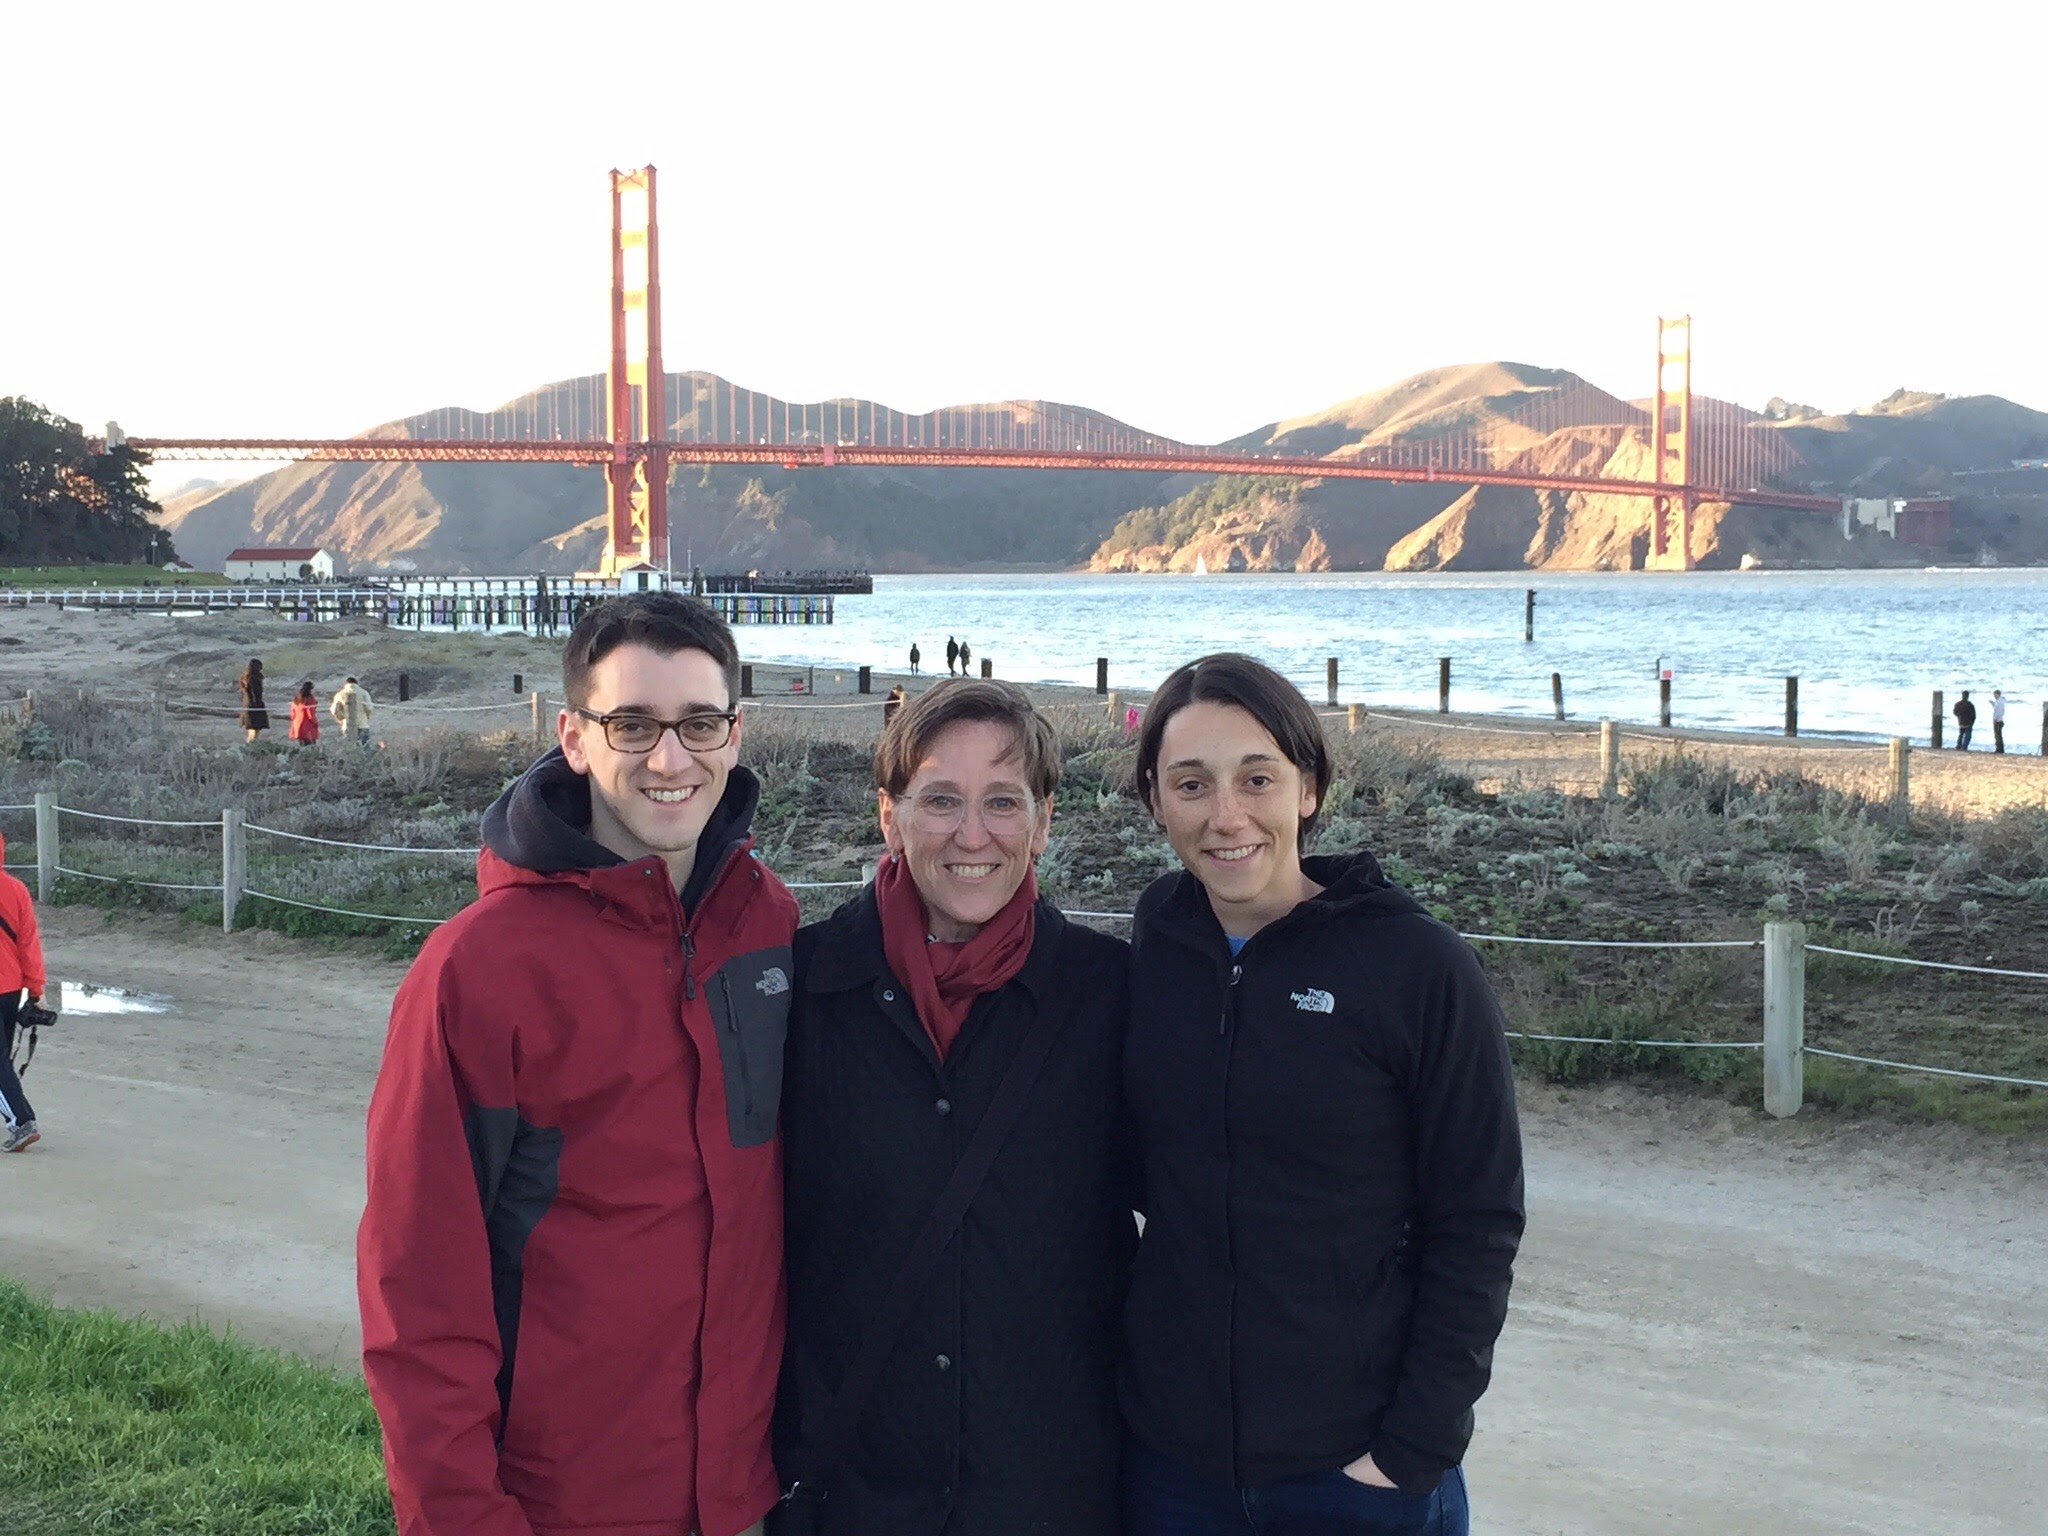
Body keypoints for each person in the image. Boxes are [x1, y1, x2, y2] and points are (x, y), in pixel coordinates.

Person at [358, 591, 799, 1536]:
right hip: (562, 1505)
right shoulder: (477, 971)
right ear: (572, 737)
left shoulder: (768, 923)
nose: (670, 760)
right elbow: (416, 1296)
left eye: (699, 724)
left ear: (736, 734)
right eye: (631, 724)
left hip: (745, 1495)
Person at [1120, 653, 1523, 1536]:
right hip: (1171, 1467)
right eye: (1191, 784)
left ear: (1308, 787)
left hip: (1353, 1472)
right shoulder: (1160, 937)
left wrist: (1412, 1448)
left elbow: (1479, 1218)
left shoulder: (1416, 967)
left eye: (1256, 778)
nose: (1226, 816)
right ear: (1155, 800)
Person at [778, 680, 1135, 1535]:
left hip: (1048, 1492)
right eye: (940, 800)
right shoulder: (802, 988)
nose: (972, 835)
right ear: (889, 815)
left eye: (1002, 802)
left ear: (1043, 823)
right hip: (852, 1492)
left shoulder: (1109, 995)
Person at [0, 831, 47, 1153]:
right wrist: (36, 988)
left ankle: (21, 1121)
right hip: (10, 986)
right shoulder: (16, 889)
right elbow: (28, 942)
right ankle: (20, 1120)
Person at [330, 675, 373, 746]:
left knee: (349, 747)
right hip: (363, 725)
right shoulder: (364, 693)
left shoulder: (340, 694)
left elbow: (334, 710)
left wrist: (341, 719)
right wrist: (366, 717)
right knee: (364, 748)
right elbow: (369, 708)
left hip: (347, 725)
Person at [238, 658, 269, 742]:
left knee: (251, 731)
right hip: (254, 706)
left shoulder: (245, 678)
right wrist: (258, 704)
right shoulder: (253, 679)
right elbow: (255, 693)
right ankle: (251, 746)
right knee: (255, 731)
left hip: (247, 705)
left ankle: (249, 745)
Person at [288, 680, 320, 746]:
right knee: (311, 746)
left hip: (297, 724)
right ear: (310, 689)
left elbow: (292, 714)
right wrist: (315, 723)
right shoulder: (310, 699)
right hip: (307, 725)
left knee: (302, 746)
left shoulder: (296, 699)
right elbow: (310, 714)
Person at [1991, 688, 2007, 754]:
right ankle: (1999, 748)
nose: (1994, 696)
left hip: (1998, 720)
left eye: (1995, 695)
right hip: (1999, 720)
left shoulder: (1999, 702)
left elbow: (1998, 712)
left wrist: (1995, 719)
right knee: (1998, 735)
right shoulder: (1999, 701)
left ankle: (1999, 749)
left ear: (1998, 694)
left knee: (1997, 735)